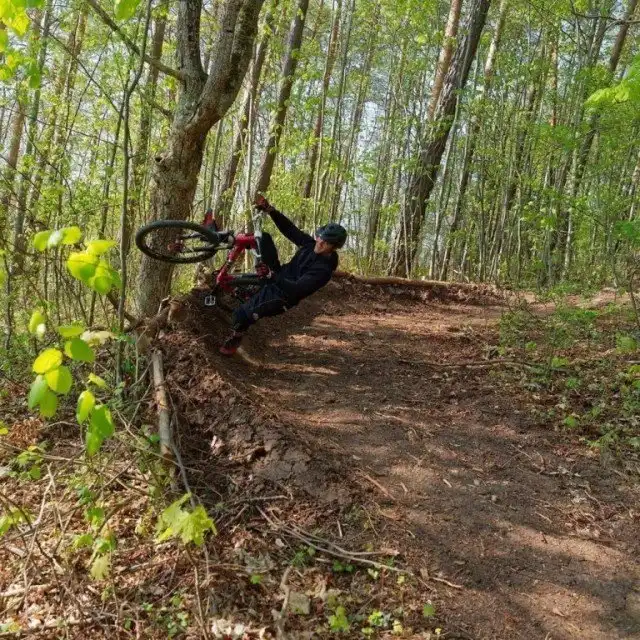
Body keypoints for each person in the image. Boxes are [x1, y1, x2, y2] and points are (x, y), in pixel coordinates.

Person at [219, 195, 347, 356]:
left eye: (326, 243)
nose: (320, 243)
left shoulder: (323, 270)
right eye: (320, 238)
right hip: (278, 274)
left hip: (282, 296)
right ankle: (221, 237)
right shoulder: (311, 244)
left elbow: (297, 289)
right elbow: (290, 230)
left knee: (240, 315)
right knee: (263, 238)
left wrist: (271, 276)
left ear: (334, 247)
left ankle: (236, 338)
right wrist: (271, 210)